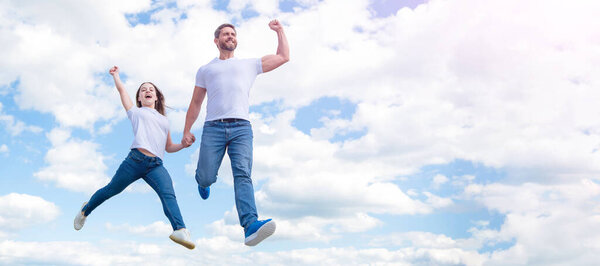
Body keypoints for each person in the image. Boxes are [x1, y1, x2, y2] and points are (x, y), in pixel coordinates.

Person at [182, 20, 289, 246]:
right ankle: (203, 181)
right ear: (216, 40)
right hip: (214, 127)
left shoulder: (249, 64)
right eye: (225, 34)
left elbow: (283, 57)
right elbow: (195, 102)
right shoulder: (206, 70)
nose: (230, 36)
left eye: (233, 34)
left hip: (242, 128)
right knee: (206, 176)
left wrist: (279, 31)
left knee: (243, 173)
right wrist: (186, 130)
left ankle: (250, 225)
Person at [73, 66, 195, 250]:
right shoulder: (135, 112)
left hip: (156, 165)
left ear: (156, 97)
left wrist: (183, 145)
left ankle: (180, 229)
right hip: (134, 161)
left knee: (168, 194)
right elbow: (122, 91)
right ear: (139, 98)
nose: (147, 91)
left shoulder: (164, 120)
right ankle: (85, 210)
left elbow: (169, 147)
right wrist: (116, 76)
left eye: (151, 89)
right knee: (111, 190)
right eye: (143, 89)